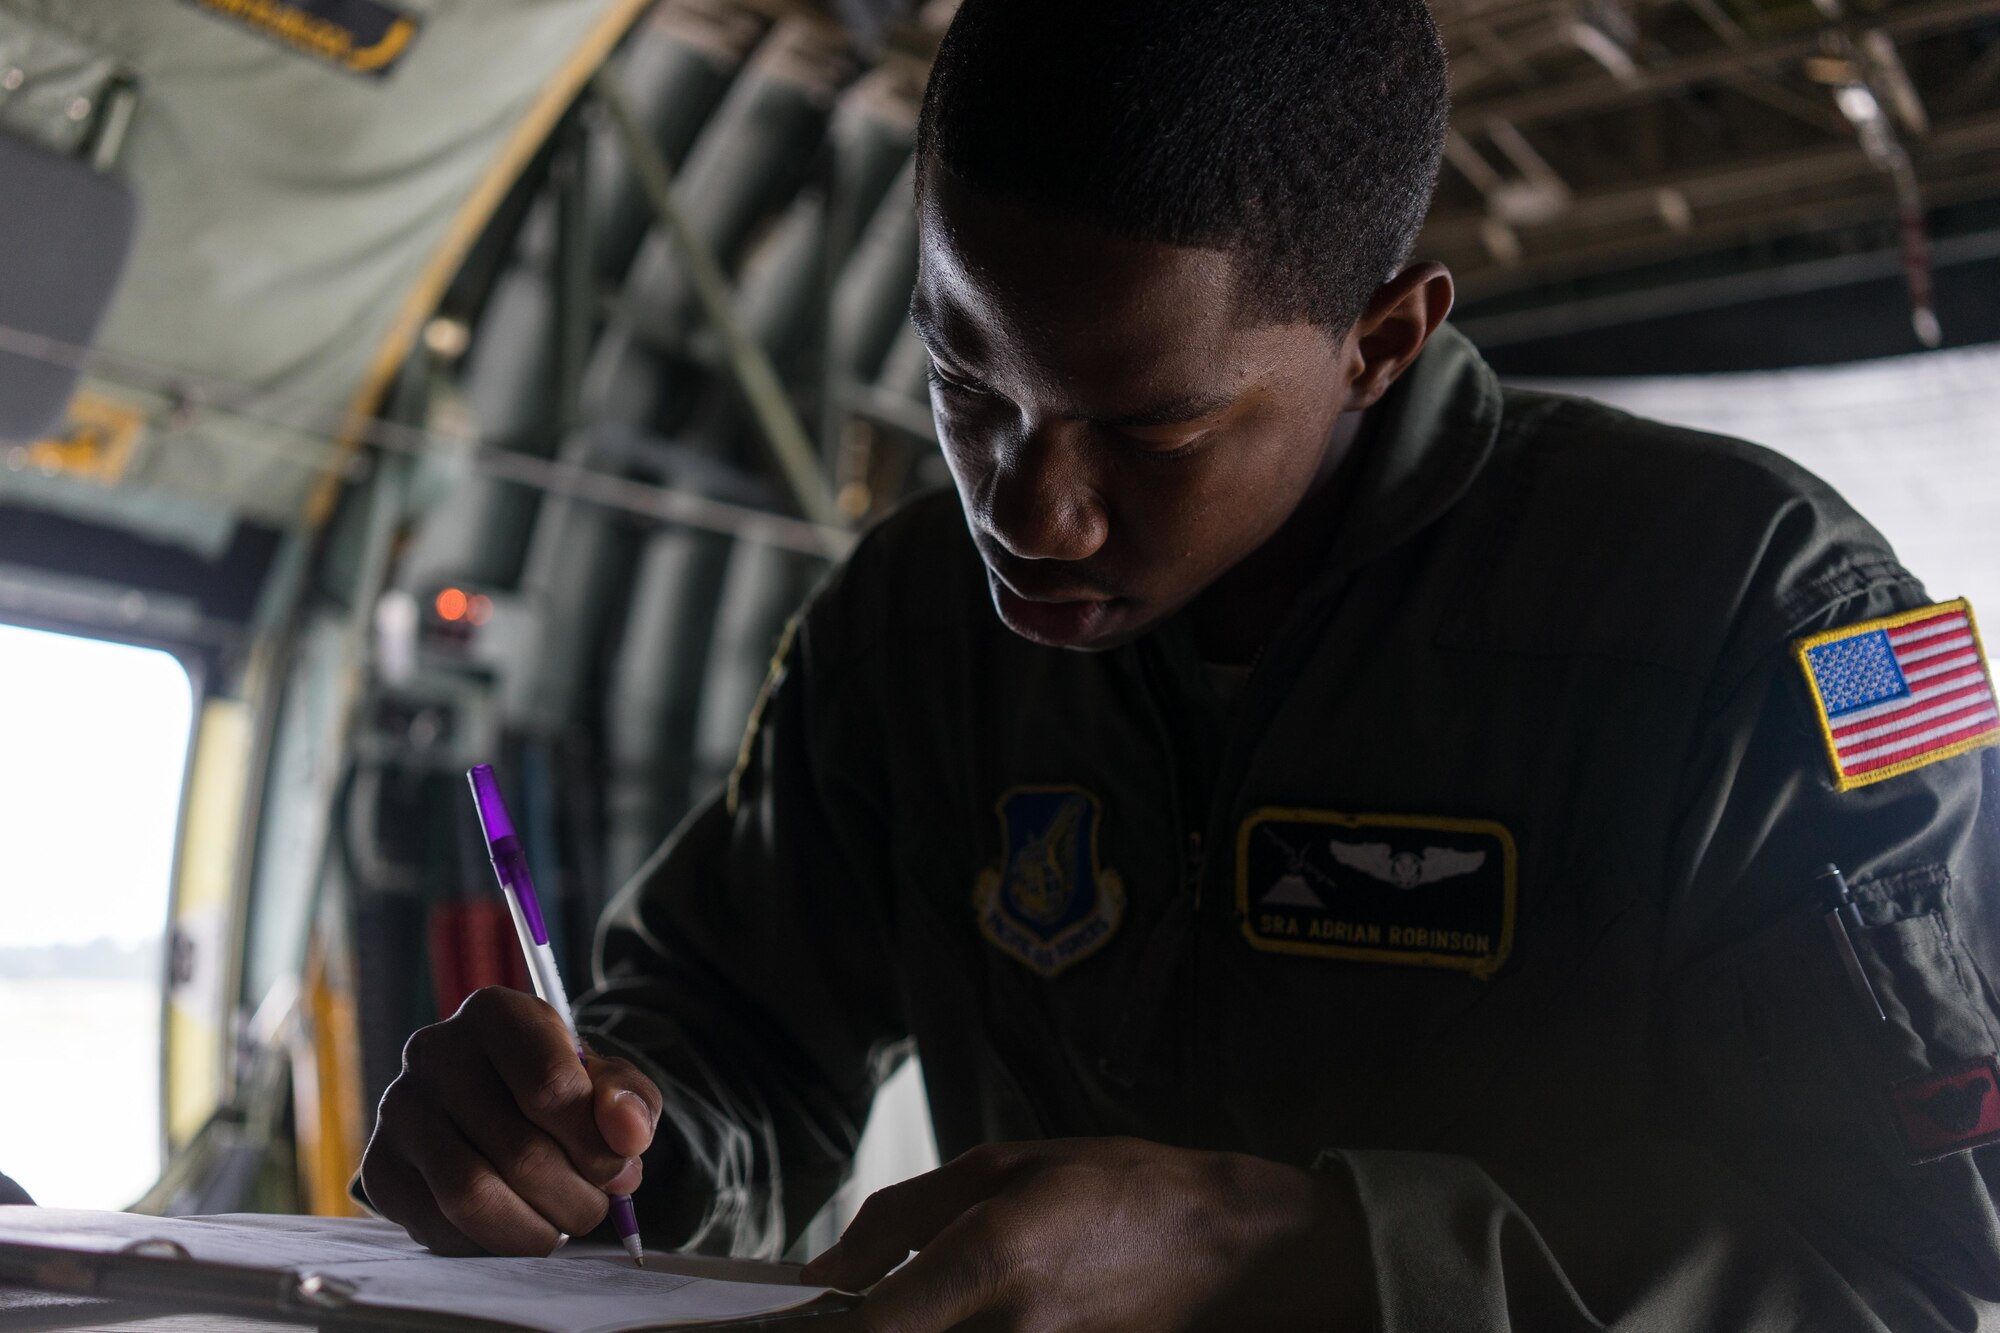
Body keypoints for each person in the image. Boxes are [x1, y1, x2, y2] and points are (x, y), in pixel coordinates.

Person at [359, 0, 2000, 1327]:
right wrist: (596, 1128)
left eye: (1151, 426)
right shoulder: (908, 622)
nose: (1031, 507)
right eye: (965, 381)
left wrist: (1286, 1248)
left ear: (1381, 340)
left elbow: (1918, 1273)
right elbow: (735, 1025)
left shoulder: (1784, 619)